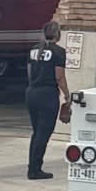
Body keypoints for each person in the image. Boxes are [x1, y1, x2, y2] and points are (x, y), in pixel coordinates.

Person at [24, 20, 69, 181]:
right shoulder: (59, 52)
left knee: (36, 132)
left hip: (32, 92)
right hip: (47, 94)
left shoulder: (34, 50)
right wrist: (67, 95)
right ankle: (35, 169)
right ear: (58, 34)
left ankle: (32, 166)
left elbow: (29, 72)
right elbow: (59, 77)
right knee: (44, 132)